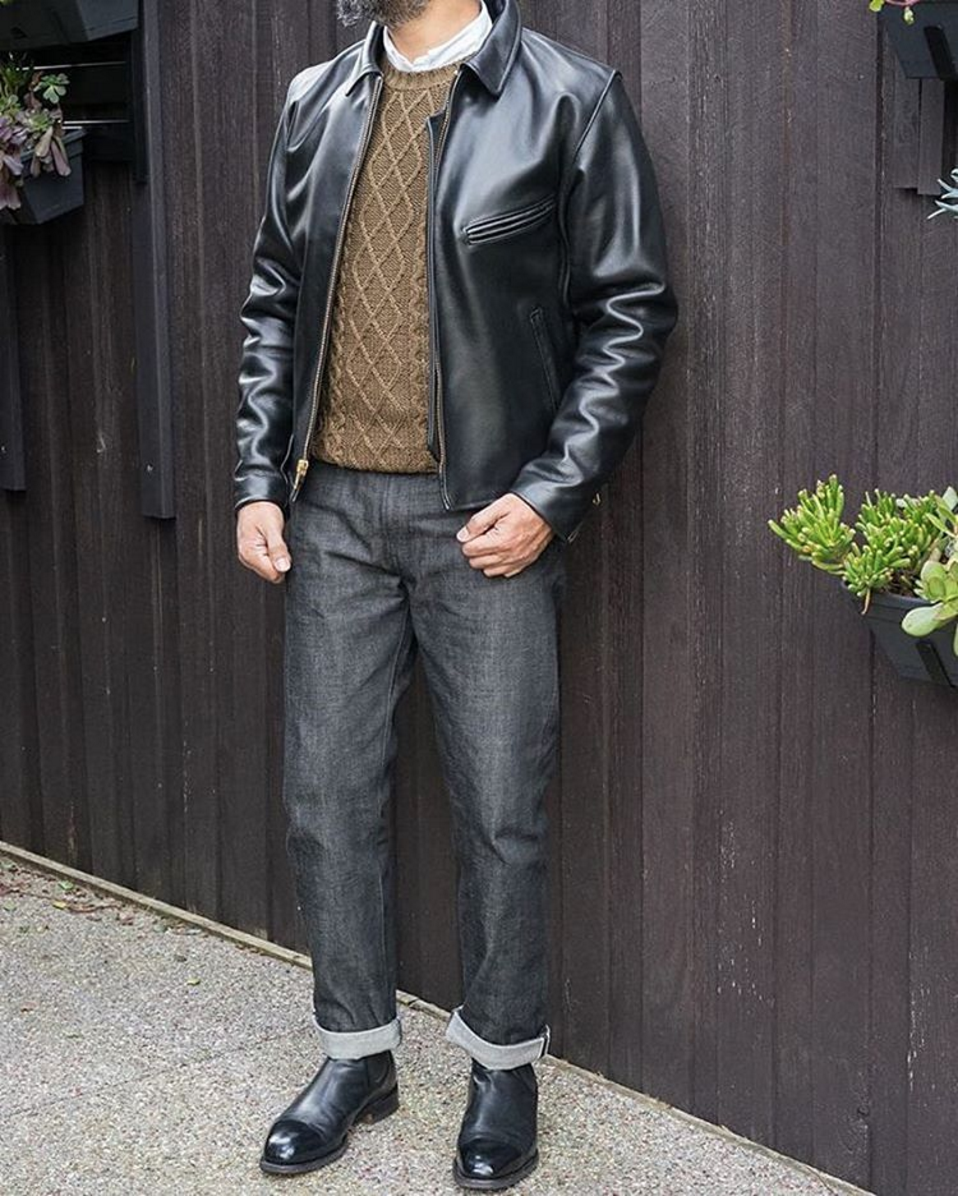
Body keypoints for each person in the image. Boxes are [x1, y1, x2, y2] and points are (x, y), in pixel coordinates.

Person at [234, 0, 678, 1186]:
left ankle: (502, 1068)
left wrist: (550, 493)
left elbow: (630, 310)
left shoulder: (568, 98)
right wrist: (257, 479)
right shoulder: (315, 100)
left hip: (484, 516)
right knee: (327, 798)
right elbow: (274, 295)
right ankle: (354, 1056)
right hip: (330, 511)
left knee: (499, 807)